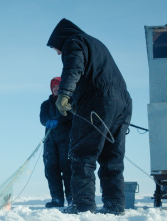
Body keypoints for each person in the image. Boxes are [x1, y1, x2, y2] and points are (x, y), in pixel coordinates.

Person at [46, 18, 132, 215]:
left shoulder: (74, 41)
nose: (58, 52)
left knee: (82, 154)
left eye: (56, 48)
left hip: (99, 100)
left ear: (60, 39)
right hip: (123, 101)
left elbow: (73, 67)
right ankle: (115, 206)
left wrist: (65, 94)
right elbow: (94, 75)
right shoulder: (95, 43)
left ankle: (82, 206)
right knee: (112, 158)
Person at [40, 77, 73, 208]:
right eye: (54, 88)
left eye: (58, 87)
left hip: (66, 140)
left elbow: (71, 115)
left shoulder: (69, 102)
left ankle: (71, 198)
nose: (56, 90)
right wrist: (47, 121)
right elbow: (42, 117)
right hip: (50, 141)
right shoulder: (45, 104)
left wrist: (60, 121)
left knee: (68, 169)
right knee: (51, 169)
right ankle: (57, 199)